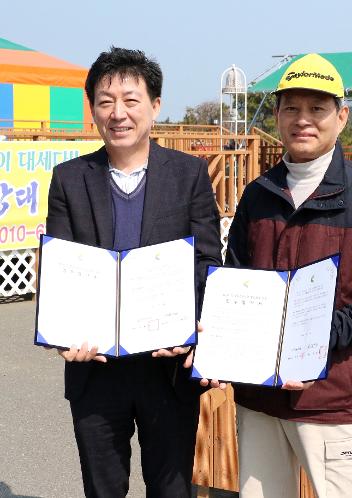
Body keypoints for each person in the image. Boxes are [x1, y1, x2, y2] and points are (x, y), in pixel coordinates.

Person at [46, 47, 221, 498]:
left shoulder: (189, 175)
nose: (118, 113)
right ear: (93, 110)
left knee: (172, 489)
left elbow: (206, 263)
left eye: (130, 99)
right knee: (103, 489)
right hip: (95, 367)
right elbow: (62, 266)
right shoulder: (69, 178)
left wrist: (193, 328)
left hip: (167, 368)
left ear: (155, 106)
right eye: (105, 102)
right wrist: (62, 334)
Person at [225, 53, 352, 498]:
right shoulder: (257, 195)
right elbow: (234, 278)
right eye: (292, 108)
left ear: (341, 116)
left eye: (317, 109)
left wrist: (309, 338)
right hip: (260, 397)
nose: (304, 120)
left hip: (332, 400)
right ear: (276, 115)